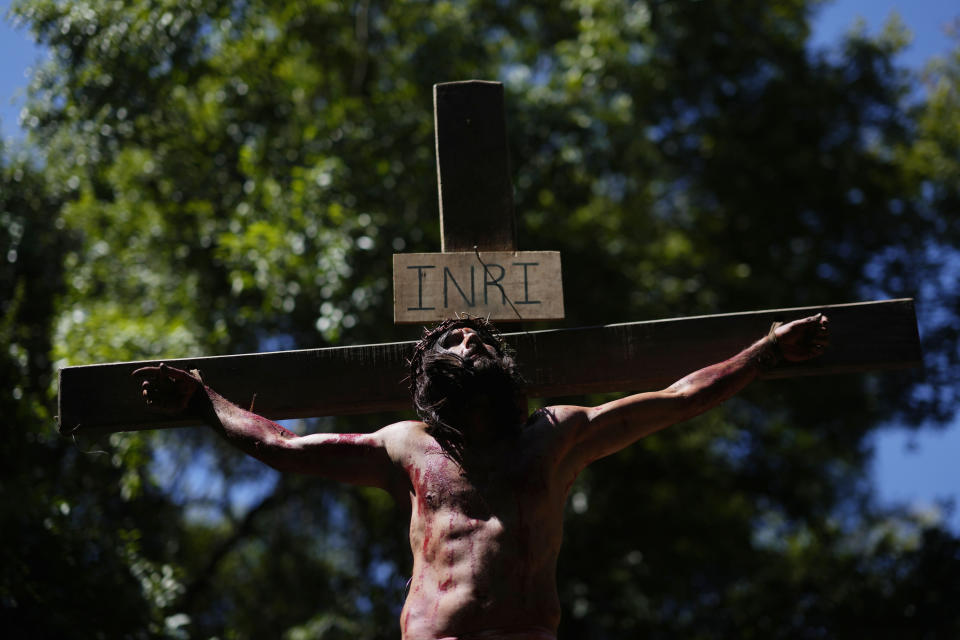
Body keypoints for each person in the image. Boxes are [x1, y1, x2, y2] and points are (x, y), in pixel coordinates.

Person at [134, 312, 830, 640]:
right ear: (428, 369)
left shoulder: (557, 434)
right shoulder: (407, 444)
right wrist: (203, 400)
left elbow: (679, 399)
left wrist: (763, 353)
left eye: (483, 340)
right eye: (453, 339)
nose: (471, 343)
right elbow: (286, 447)